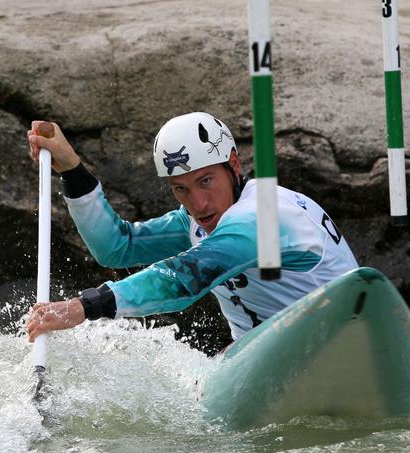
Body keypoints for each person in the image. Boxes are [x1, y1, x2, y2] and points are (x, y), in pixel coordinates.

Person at [25, 112, 358, 346]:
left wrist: (85, 306)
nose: (198, 204)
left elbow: (186, 277)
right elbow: (117, 246)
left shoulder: (265, 215)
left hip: (339, 332)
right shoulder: (193, 223)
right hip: (260, 355)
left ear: (235, 165)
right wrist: (71, 169)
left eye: (206, 181)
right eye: (180, 189)